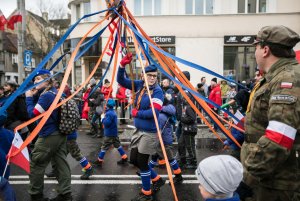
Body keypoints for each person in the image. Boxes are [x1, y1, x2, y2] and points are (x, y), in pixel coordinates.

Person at [240, 25, 300, 201]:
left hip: (276, 183)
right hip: (269, 176)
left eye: (256, 47)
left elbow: (279, 138)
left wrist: (248, 178)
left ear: (265, 50)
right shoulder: (276, 76)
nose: (255, 53)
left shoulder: (287, 79)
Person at [117, 53, 164, 201]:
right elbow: (121, 80)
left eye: (154, 76)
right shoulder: (139, 85)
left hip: (149, 132)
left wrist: (137, 113)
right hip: (138, 130)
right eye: (149, 75)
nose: (152, 78)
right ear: (143, 75)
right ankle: (156, 179)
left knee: (143, 163)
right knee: (134, 161)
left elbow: (154, 112)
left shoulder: (158, 91)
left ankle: (146, 193)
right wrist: (121, 66)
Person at [25, 69, 72, 201]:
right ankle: (66, 193)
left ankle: (36, 194)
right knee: (61, 163)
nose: (35, 82)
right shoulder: (55, 93)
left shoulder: (46, 96)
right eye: (34, 79)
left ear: (47, 80)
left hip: (49, 134)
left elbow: (33, 114)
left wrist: (29, 98)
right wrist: (35, 96)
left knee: (37, 163)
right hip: (60, 133)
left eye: (39, 79)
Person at [148, 93, 183, 184]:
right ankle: (148, 171)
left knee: (170, 158)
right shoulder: (165, 112)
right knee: (155, 155)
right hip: (162, 139)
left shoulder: (161, 115)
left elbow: (157, 128)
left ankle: (178, 175)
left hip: (163, 140)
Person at [94, 98, 128, 166]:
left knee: (104, 147)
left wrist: (102, 118)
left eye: (106, 104)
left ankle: (100, 160)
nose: (105, 106)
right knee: (118, 145)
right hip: (114, 133)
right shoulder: (111, 112)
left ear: (108, 105)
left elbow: (107, 123)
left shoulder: (109, 113)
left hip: (109, 133)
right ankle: (124, 157)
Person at [176, 71, 198, 169]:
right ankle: (183, 159)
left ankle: (193, 161)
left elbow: (191, 116)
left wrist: (181, 118)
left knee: (189, 145)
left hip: (188, 125)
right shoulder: (185, 89)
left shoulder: (187, 91)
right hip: (183, 123)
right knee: (181, 143)